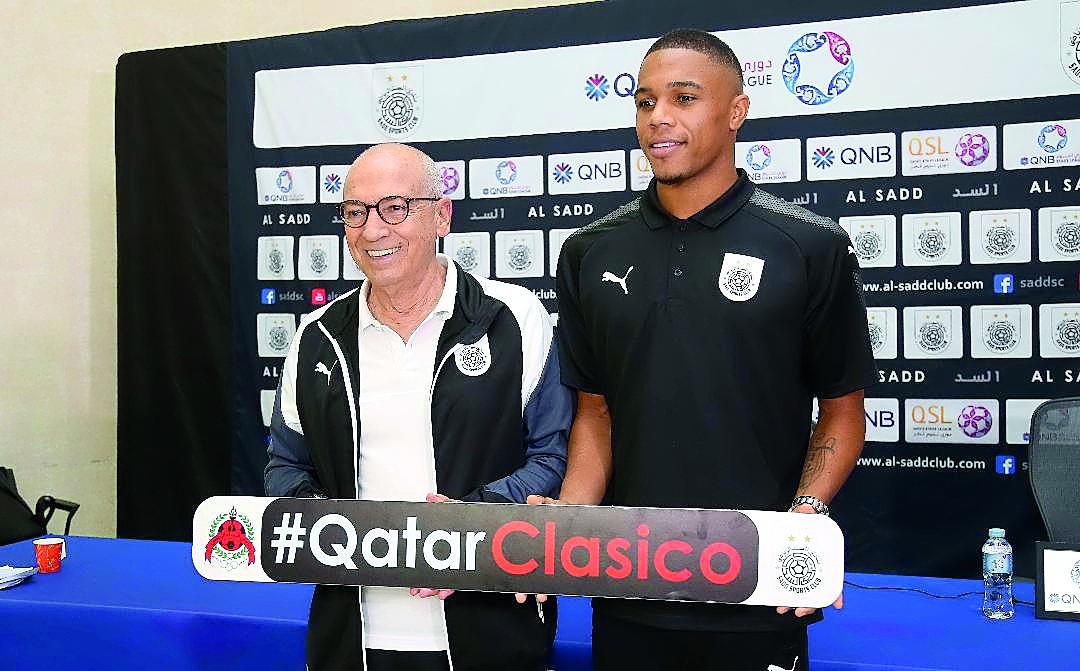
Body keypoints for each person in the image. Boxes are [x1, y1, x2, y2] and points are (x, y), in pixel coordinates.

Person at [550, 29, 877, 671]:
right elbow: (595, 413)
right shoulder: (590, 252)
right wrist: (570, 522)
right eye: (644, 102)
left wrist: (803, 520)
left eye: (684, 98)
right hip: (628, 586)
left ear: (735, 113)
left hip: (756, 591)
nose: (658, 119)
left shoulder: (809, 246)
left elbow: (842, 413)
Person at [265, 143, 572, 671]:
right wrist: (332, 526)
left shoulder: (515, 318)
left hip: (492, 634)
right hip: (352, 640)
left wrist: (465, 527)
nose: (372, 230)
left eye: (394, 207)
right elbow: (284, 468)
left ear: (442, 215)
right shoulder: (316, 338)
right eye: (355, 212)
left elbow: (552, 458)